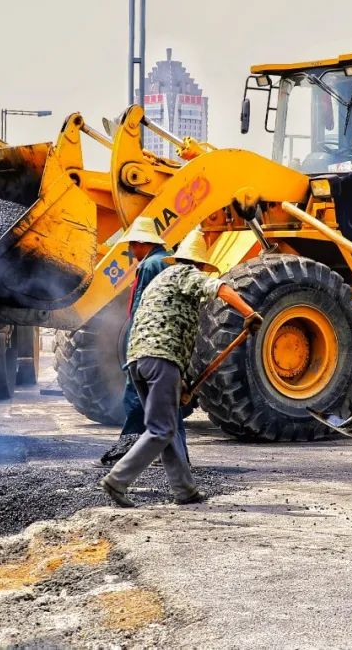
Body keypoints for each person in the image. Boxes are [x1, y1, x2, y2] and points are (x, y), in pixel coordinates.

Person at [100, 228, 261, 507]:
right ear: (198, 264)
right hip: (160, 359)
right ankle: (118, 480)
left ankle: (185, 491)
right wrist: (250, 313)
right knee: (160, 429)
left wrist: (182, 382)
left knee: (169, 425)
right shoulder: (188, 274)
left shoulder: (162, 279)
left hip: (140, 360)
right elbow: (219, 288)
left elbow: (173, 330)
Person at [98, 217, 185, 466]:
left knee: (135, 397)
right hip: (166, 343)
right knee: (167, 400)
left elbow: (142, 309)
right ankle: (178, 457)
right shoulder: (165, 261)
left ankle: (127, 451)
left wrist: (135, 339)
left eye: (132, 246)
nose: (130, 251)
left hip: (148, 342)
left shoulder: (150, 266)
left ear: (141, 243)